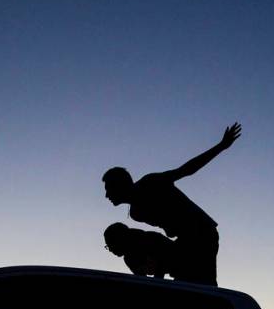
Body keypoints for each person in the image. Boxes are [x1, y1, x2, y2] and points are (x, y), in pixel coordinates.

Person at [102, 122, 241, 286]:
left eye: (109, 189)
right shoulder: (136, 214)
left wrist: (221, 146)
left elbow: (186, 170)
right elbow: (166, 230)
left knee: (202, 285)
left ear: (120, 185)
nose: (106, 195)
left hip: (201, 232)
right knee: (188, 285)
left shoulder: (150, 183)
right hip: (185, 240)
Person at [103, 222, 180, 279]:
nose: (110, 250)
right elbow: (142, 279)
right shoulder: (129, 259)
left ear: (119, 240)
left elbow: (161, 264)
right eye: (108, 246)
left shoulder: (149, 239)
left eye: (110, 245)